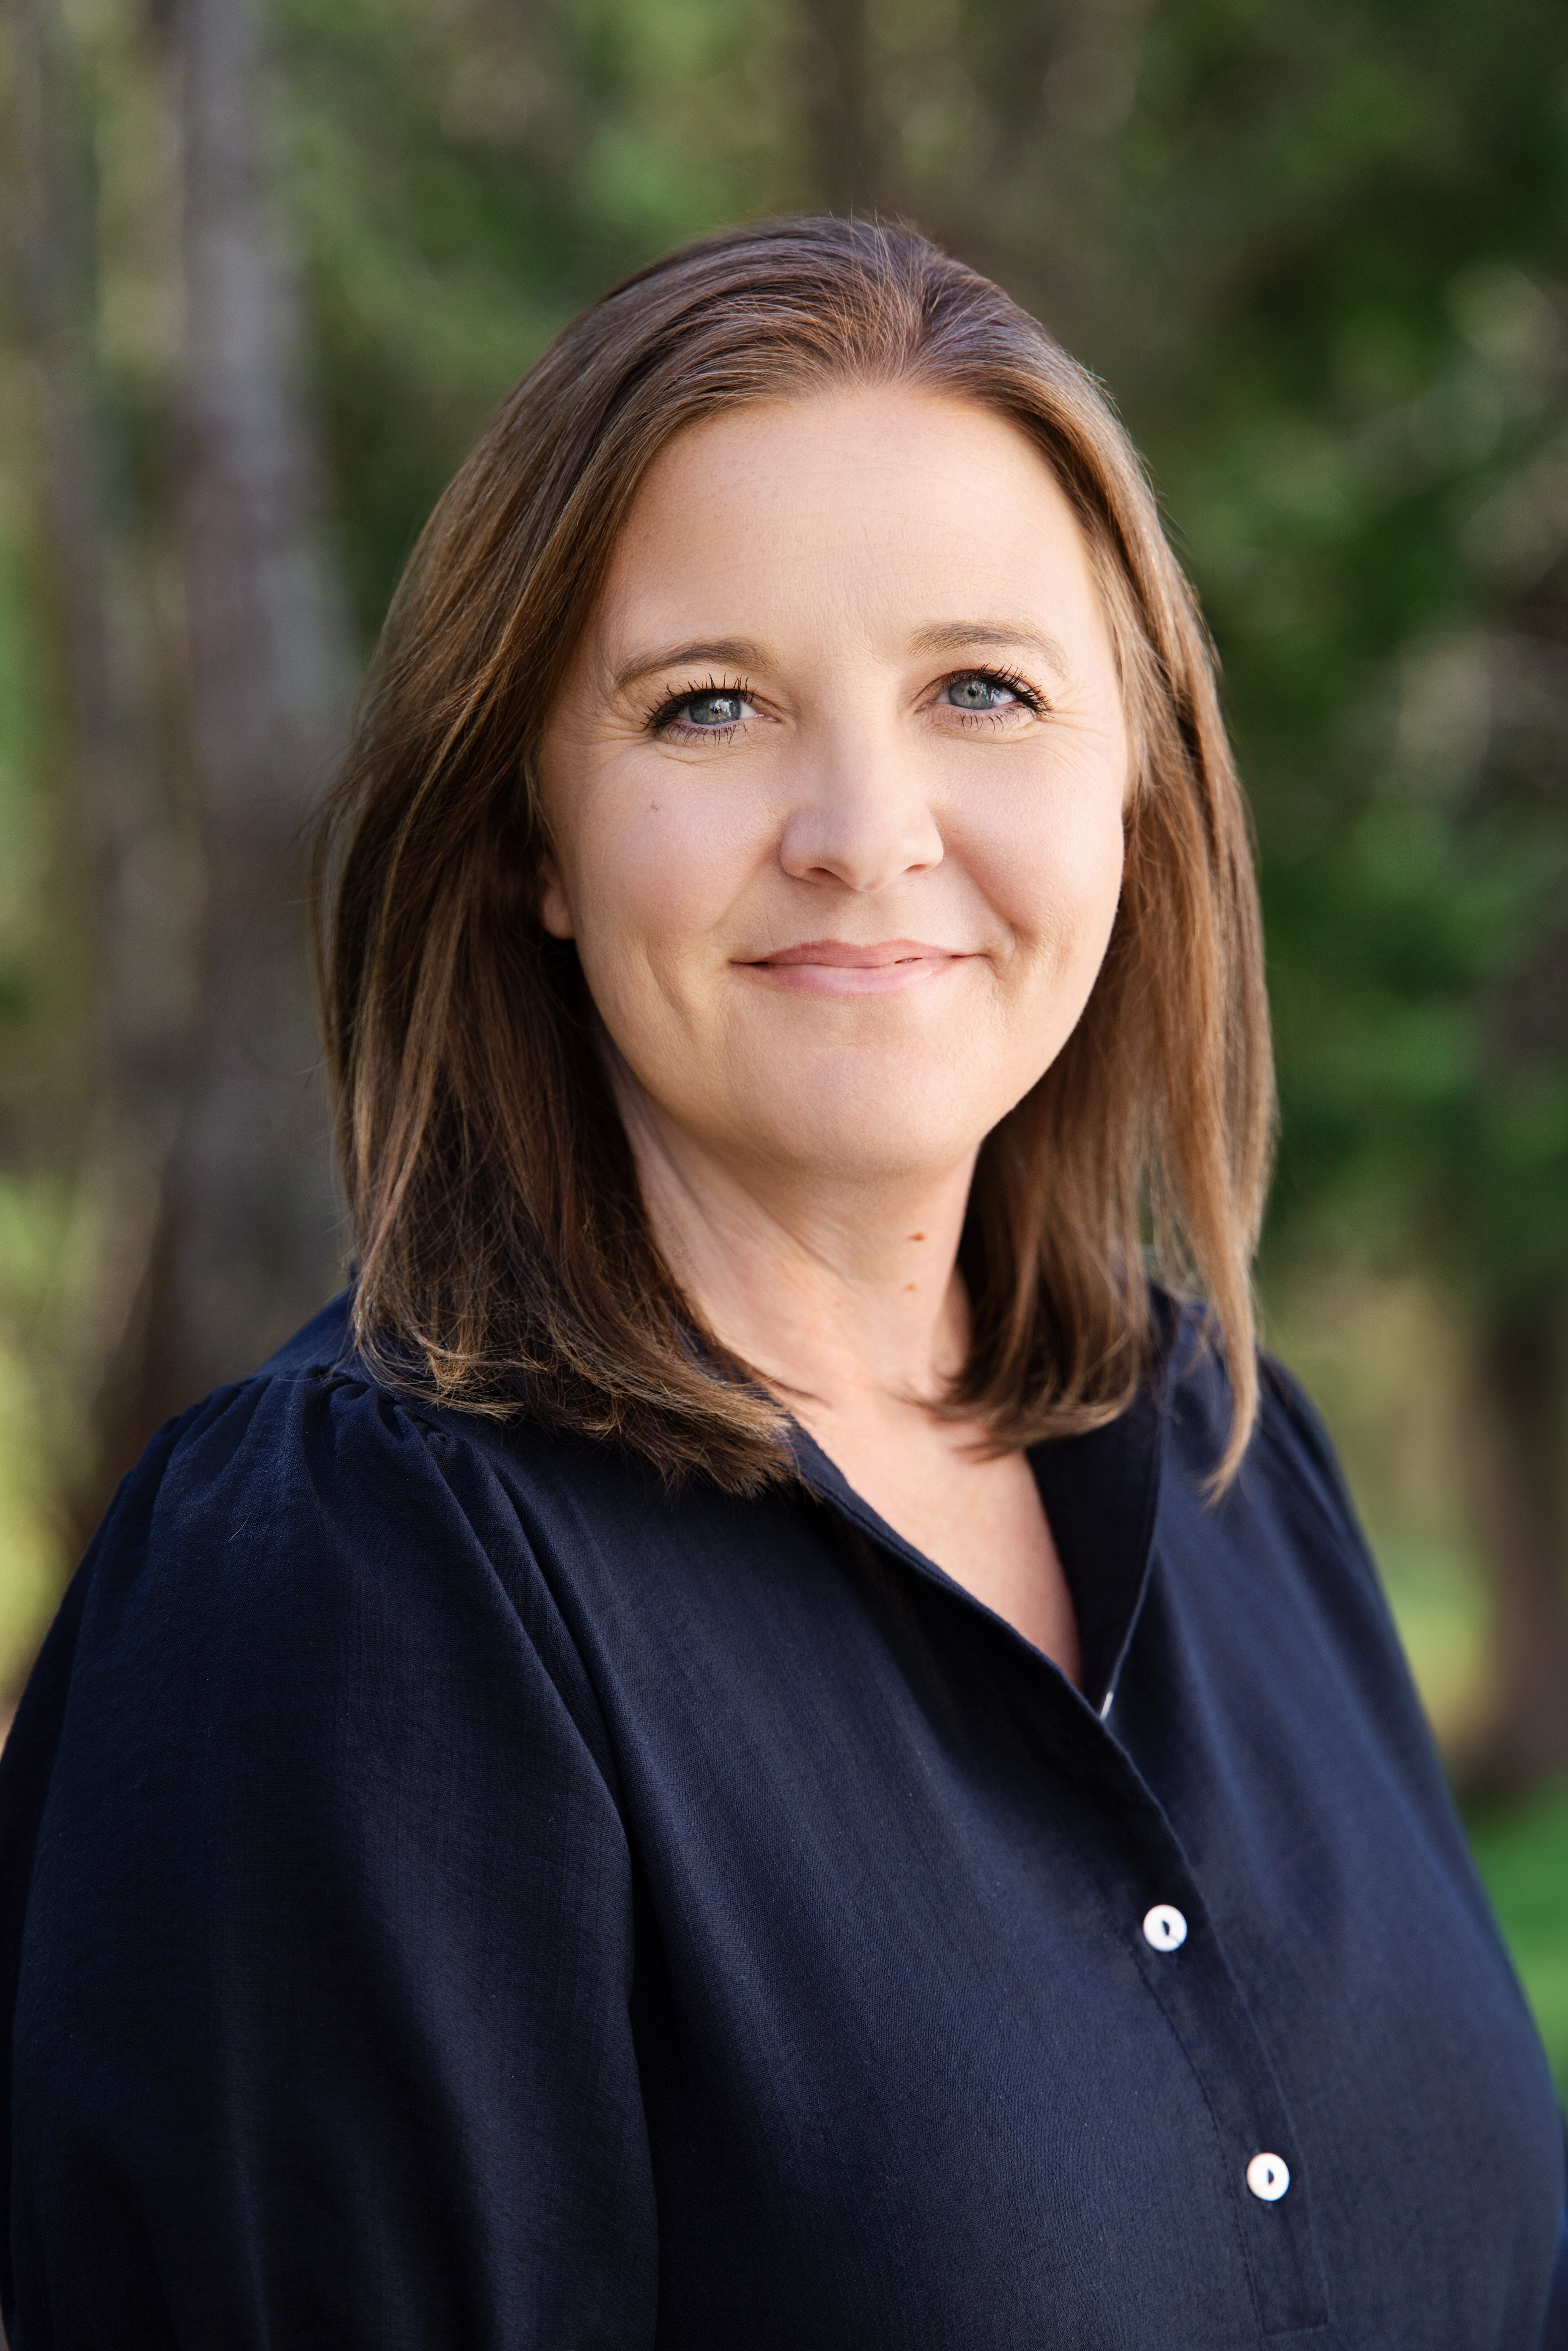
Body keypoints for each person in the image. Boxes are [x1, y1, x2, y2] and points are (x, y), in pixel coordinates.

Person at [0, 216, 1562, 2350]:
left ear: (1136, 788)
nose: (865, 826)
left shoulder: (1227, 1454)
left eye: (984, 690)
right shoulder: (354, 1588)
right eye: (709, 705)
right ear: (533, 840)